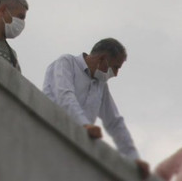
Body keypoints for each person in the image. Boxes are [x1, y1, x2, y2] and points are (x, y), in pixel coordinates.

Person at [42, 38, 150, 179]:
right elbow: (65, 96)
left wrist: (133, 157)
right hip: (50, 136)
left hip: (76, 150)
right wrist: (84, 124)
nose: (116, 74)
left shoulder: (101, 85)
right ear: (103, 58)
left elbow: (114, 122)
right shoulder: (66, 62)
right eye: (116, 67)